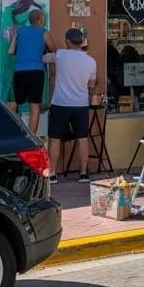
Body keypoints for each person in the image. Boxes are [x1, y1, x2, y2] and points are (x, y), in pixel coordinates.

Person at [45, 28, 97, 184]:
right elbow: (91, 84)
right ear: (82, 42)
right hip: (80, 104)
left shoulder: (61, 54)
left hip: (60, 103)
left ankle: (52, 174)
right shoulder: (91, 61)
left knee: (55, 139)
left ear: (67, 41)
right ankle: (83, 174)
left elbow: (45, 58)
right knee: (82, 138)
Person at [9, 8, 54, 133]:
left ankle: (6, 130)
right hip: (36, 72)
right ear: (40, 19)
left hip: (19, 71)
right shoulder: (44, 32)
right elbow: (53, 50)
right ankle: (31, 139)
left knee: (14, 102)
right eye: (43, 19)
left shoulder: (20, 31)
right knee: (34, 108)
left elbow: (13, 50)